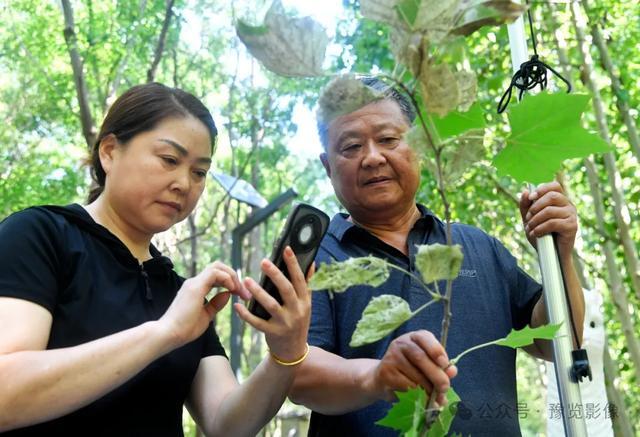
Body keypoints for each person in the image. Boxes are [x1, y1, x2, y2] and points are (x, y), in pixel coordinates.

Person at [0, 82, 311, 436]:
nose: (184, 183)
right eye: (169, 160)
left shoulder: (181, 293)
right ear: (110, 152)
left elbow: (227, 425)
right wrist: (163, 334)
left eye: (199, 172)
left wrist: (285, 353)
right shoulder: (40, 235)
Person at [289, 76, 585, 436]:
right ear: (327, 166)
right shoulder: (312, 259)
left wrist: (561, 255)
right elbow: (296, 372)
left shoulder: (477, 246)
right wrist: (376, 376)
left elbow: (554, 341)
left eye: (388, 139)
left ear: (419, 147)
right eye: (351, 146)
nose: (372, 157)